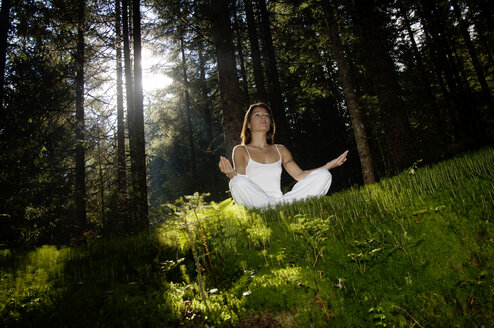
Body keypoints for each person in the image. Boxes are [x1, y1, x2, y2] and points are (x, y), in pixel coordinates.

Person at [218, 102, 348, 209]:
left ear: (270, 122)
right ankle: (266, 211)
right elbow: (242, 182)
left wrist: (328, 166)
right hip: (256, 203)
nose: (263, 118)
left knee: (324, 175)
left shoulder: (280, 149)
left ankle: (284, 209)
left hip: (281, 203)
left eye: (266, 116)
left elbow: (300, 175)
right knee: (237, 181)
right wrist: (231, 175)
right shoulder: (241, 150)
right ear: (248, 124)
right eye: (257, 115)